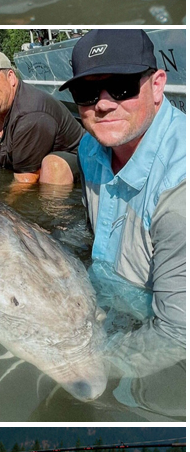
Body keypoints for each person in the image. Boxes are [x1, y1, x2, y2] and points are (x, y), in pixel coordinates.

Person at [60, 29, 186, 380]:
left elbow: (180, 334)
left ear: (158, 85)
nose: (102, 103)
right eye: (86, 93)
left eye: (123, 86)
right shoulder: (90, 148)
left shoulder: (180, 194)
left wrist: (74, 364)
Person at [0, 47, 84, 184]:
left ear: (10, 77)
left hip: (81, 161)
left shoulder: (31, 113)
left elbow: (25, 182)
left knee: (54, 166)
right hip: (21, 168)